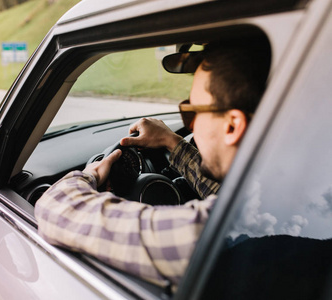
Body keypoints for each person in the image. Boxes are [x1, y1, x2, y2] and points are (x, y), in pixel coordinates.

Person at [35, 39, 271, 288]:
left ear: (232, 125)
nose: (190, 126)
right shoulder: (270, 199)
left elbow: (55, 210)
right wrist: (171, 142)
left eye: (192, 112)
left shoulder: (219, 234)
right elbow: (222, 193)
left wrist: (88, 176)